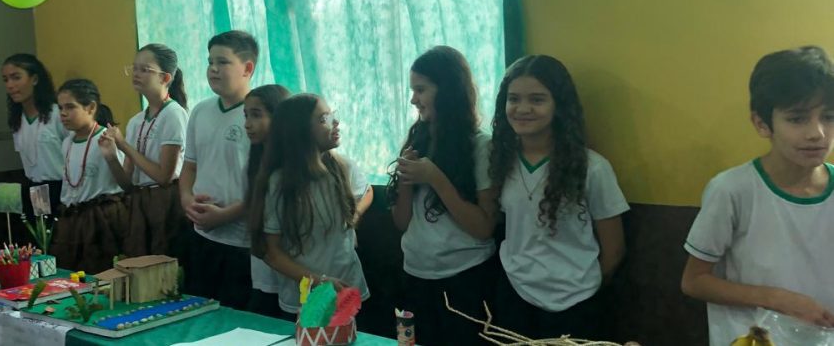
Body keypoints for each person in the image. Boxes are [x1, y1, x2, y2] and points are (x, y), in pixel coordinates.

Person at [682, 46, 834, 345]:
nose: (817, 133)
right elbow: (694, 281)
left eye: (828, 117)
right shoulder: (732, 189)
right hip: (755, 339)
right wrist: (777, 299)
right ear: (762, 124)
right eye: (797, 119)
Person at [490, 55, 628, 339]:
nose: (523, 109)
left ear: (559, 105)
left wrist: (583, 288)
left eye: (537, 99)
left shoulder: (593, 168)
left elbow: (614, 249)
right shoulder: (499, 161)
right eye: (513, 99)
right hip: (515, 296)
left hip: (578, 304)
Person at [387, 46, 499, 345]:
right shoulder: (417, 138)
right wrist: (407, 180)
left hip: (466, 279)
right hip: (414, 275)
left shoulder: (481, 146)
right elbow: (401, 222)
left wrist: (435, 178)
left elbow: (483, 228)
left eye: (421, 90)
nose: (414, 99)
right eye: (412, 90)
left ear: (448, 90)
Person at [249, 94, 371, 316]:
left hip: (349, 292)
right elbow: (271, 252)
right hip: (304, 302)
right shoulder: (279, 183)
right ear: (300, 131)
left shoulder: (344, 168)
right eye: (324, 119)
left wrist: (352, 219)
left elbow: (367, 192)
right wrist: (319, 281)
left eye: (332, 115)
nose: (336, 122)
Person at [179, 31, 257, 308]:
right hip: (201, 236)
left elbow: (266, 186)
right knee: (200, 312)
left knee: (236, 316)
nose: (213, 69)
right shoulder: (201, 110)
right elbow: (189, 166)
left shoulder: (260, 117)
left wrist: (225, 215)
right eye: (210, 62)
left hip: (243, 242)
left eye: (222, 62)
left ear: (247, 68)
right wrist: (187, 201)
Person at [100, 44, 189, 257]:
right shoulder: (136, 121)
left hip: (166, 202)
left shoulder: (174, 114)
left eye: (144, 69)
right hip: (140, 203)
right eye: (134, 68)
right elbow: (127, 183)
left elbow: (164, 177)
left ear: (165, 78)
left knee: (165, 263)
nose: (136, 74)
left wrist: (124, 145)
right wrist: (111, 156)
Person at [50, 79, 126, 272]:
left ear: (91, 108)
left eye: (70, 107)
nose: (63, 113)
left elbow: (126, 183)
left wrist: (111, 157)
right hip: (73, 219)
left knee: (101, 272)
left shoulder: (106, 138)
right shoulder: (67, 142)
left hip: (101, 221)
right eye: (60, 108)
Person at [241, 84, 291, 318]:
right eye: (246, 115)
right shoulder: (255, 159)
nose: (247, 124)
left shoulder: (297, 162)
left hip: (294, 268)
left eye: (256, 115)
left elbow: (364, 191)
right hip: (266, 266)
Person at [2, 54, 68, 214]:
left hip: (63, 190)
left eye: (16, 78)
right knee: (39, 228)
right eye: (5, 80)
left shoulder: (57, 115)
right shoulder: (18, 120)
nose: (10, 85)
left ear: (35, 79)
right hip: (34, 189)